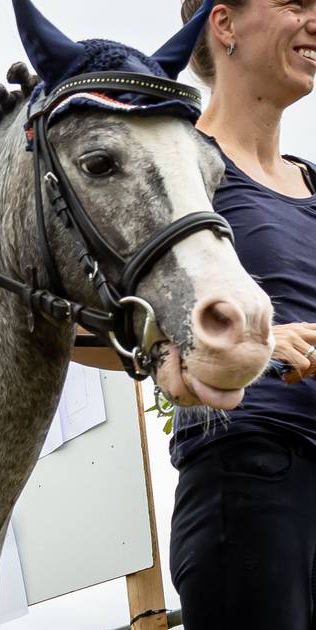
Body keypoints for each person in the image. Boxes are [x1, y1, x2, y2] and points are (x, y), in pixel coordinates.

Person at [169, 1, 316, 627]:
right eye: (294, 3)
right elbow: (89, 320)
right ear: (224, 24)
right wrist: (255, 341)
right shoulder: (177, 169)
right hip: (250, 478)